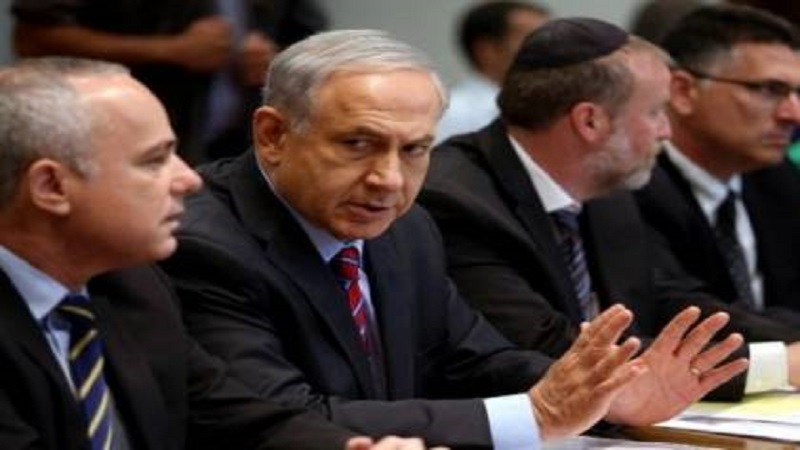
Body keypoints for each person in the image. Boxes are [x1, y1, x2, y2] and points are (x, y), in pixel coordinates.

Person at [161, 29, 746, 449]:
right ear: (272, 136)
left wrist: (604, 393)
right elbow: (287, 417)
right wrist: (535, 416)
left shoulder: (406, 226)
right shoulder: (203, 243)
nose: (389, 179)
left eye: (415, 149)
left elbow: (471, 356)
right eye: (358, 144)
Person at [0, 56, 430, 450]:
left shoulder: (132, 284)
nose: (188, 179)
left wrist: (349, 449)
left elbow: (232, 416)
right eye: (153, 161)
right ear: (51, 187)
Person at [419, 17, 795, 402]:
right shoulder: (458, 202)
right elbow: (556, 350)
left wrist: (786, 345)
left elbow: (666, 300)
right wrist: (776, 365)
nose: (666, 132)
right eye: (656, 113)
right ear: (590, 121)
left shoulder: (605, 185)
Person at [635, 4, 800, 368]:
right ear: (683, 91)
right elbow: (680, 311)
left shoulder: (778, 179)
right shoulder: (631, 186)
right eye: (770, 90)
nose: (793, 114)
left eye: (796, 93)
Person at [11, 0, 267, 166]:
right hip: (113, 149)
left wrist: (273, 60)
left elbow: (287, 32)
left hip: (240, 152)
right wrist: (170, 50)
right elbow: (32, 39)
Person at [436, 1, 549, 142]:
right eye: (534, 39)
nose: (551, 49)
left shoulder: (550, 109)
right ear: (487, 50)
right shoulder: (452, 113)